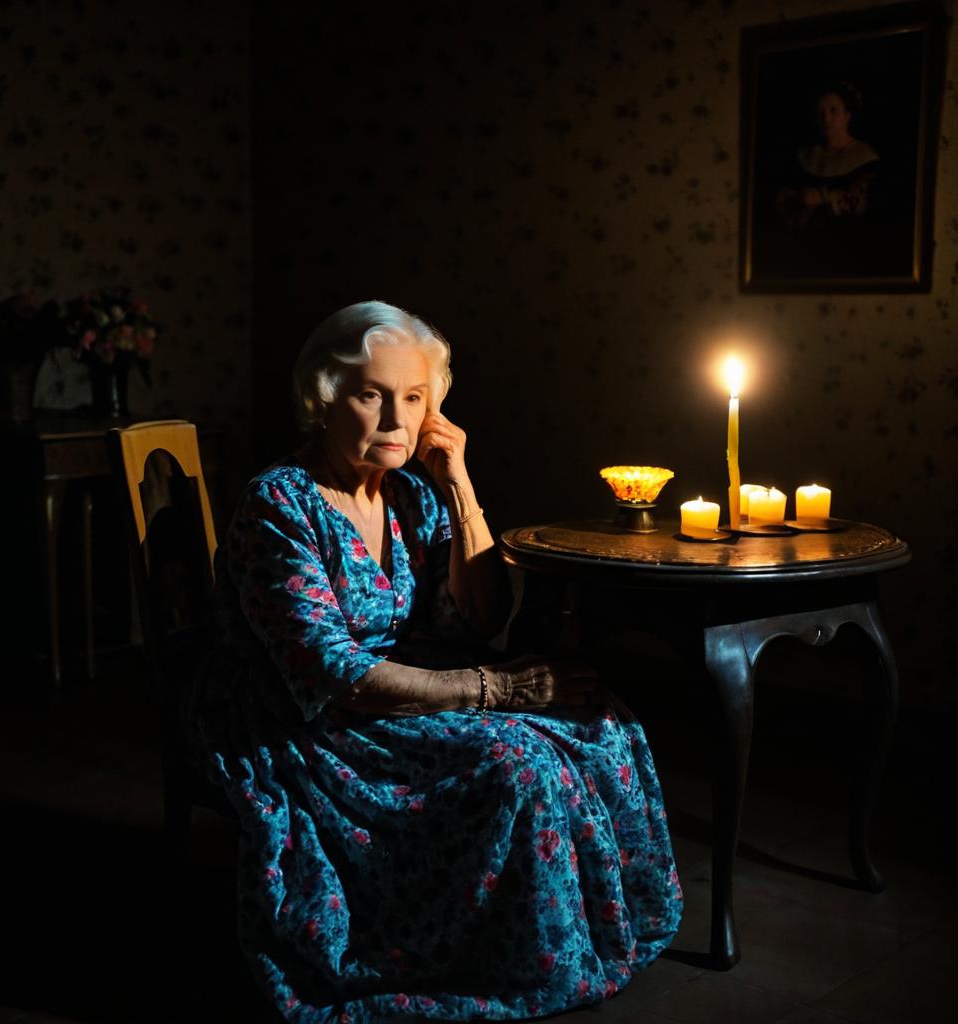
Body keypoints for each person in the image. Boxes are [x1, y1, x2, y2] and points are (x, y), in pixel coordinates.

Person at [183, 301, 683, 1021]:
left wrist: (458, 481)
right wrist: (496, 689)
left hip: (411, 678)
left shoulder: (415, 492)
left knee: (602, 722)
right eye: (370, 395)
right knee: (520, 765)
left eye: (414, 399)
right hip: (305, 712)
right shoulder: (280, 505)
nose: (396, 420)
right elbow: (332, 674)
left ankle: (602, 933)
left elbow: (482, 618)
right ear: (322, 400)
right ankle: (498, 958)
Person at [775, 81, 879, 231]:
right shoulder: (804, 156)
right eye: (821, 113)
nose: (826, 119)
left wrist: (823, 197)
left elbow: (865, 205)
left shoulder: (865, 157)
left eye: (833, 111)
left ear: (847, 115)